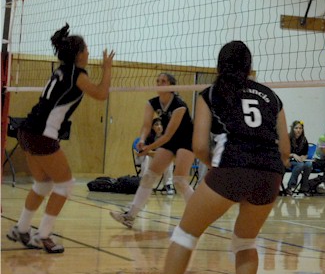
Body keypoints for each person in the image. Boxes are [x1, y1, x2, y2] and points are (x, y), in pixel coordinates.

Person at [134, 40, 290, 274]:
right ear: (249, 67)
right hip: (269, 174)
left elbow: (199, 146)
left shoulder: (211, 93)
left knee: (185, 235)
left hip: (232, 167)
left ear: (219, 65)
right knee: (245, 242)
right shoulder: (272, 96)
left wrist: (217, 167)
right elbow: (284, 150)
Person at [6, 23, 114, 253]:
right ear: (79, 54)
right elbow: (102, 94)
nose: (89, 52)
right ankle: (43, 236)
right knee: (65, 185)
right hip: (42, 134)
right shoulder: (77, 74)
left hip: (26, 131)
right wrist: (107, 69)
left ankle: (21, 229)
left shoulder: (61, 71)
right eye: (86, 49)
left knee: (43, 184)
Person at [110, 72, 195, 228]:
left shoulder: (179, 105)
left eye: (163, 81)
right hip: (170, 141)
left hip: (186, 140)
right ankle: (130, 216)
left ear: (171, 86)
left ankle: (198, 213)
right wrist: (142, 141)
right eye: (157, 81)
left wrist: (148, 149)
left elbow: (168, 135)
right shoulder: (152, 103)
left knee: (179, 180)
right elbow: (146, 126)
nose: (159, 83)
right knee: (149, 176)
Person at [140, 118, 175, 195]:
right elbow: (145, 151)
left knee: (169, 161)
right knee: (146, 158)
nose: (159, 126)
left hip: (162, 160)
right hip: (151, 159)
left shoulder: (167, 137)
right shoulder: (149, 137)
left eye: (161, 124)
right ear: (152, 127)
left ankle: (168, 185)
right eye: (156, 124)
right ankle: (145, 185)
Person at [286, 120, 312, 197]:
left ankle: (304, 187)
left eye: (300, 128)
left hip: (299, 160)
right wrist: (293, 155)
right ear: (293, 129)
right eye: (296, 128)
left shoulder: (304, 139)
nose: (298, 130)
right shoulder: (287, 138)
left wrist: (304, 157)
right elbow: (283, 153)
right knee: (300, 165)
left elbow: (305, 153)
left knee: (309, 165)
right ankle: (290, 186)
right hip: (288, 160)